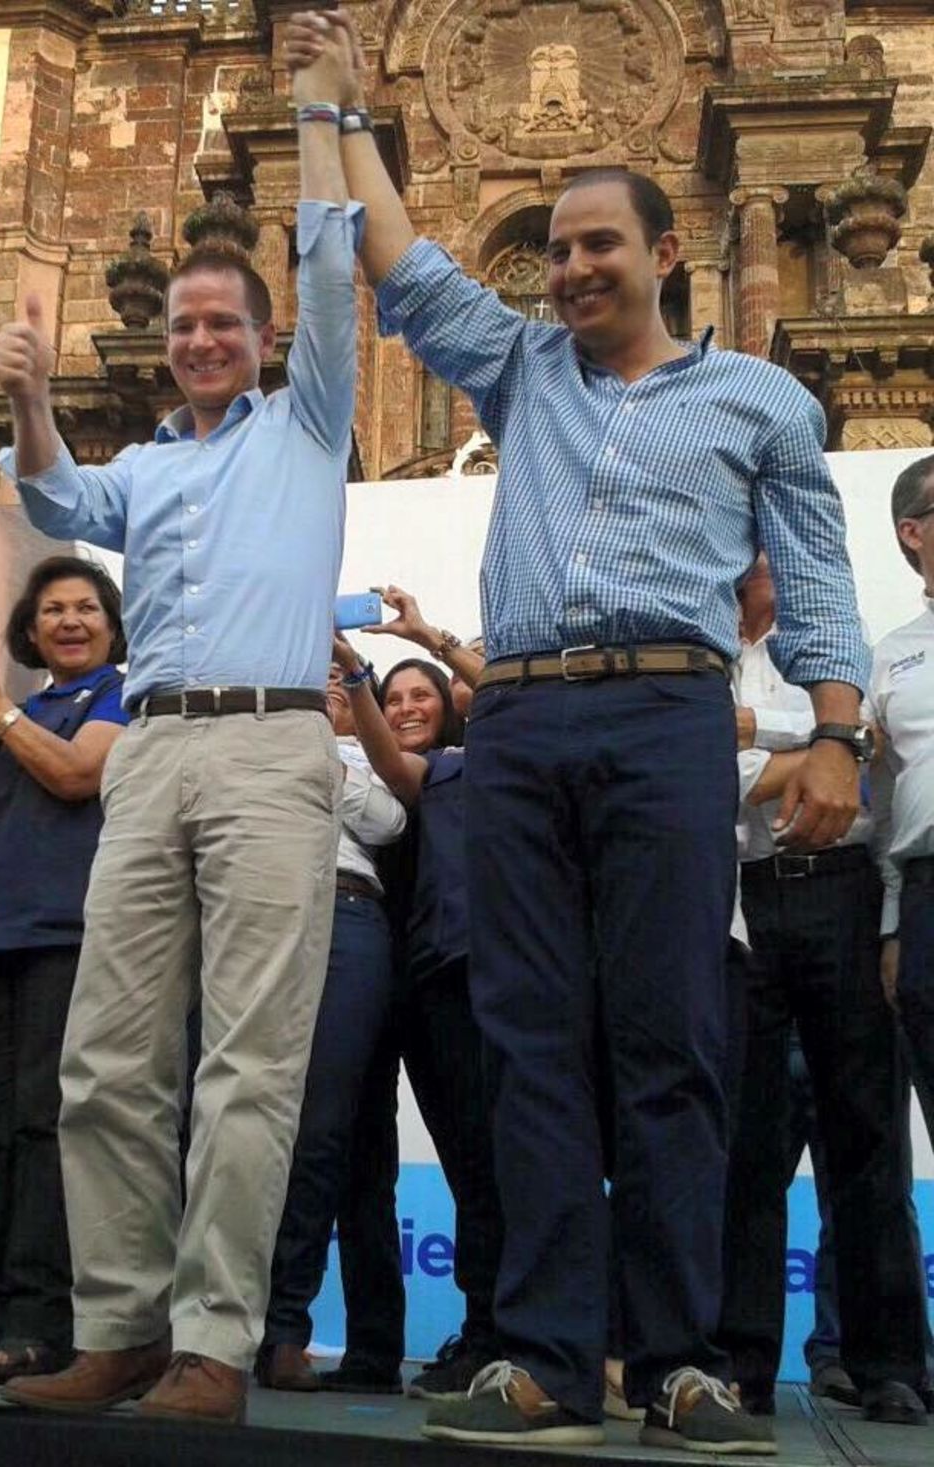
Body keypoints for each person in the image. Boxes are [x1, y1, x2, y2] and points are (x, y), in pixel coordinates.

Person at [286, 14, 869, 1452]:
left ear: (665, 253)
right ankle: (547, 1359)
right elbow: (404, 263)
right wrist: (341, 111)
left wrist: (836, 733)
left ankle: (677, 1362)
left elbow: (818, 579)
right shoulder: (518, 368)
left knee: (671, 1037)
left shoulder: (761, 401)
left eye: (599, 243)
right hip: (526, 716)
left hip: (669, 712)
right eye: (555, 249)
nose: (571, 267)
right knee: (527, 1039)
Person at [0, 31, 362, 1426]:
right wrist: (31, 398)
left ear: (263, 342)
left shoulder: (310, 419)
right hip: (149, 752)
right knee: (106, 1055)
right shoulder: (143, 467)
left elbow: (331, 261)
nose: (200, 338)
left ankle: (215, 1341)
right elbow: (56, 502)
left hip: (270, 746)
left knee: (247, 1059)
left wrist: (319, 108)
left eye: (224, 323)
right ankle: (121, 1328)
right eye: (185, 324)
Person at [719, 554, 928, 1425]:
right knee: (743, 1141)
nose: (756, 557)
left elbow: (867, 750)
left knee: (867, 1134)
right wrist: (810, 748)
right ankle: (740, 1362)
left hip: (842, 891)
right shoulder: (703, 655)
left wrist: (759, 729)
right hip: (739, 898)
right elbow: (712, 763)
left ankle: (891, 1363)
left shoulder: (842, 652)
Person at [0, 556, 128, 1383]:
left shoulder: (121, 695)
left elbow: (78, 775)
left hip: (66, 937)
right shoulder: (11, 711)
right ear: (30, 629)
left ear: (113, 626)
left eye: (86, 607)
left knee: (48, 1128)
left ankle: (48, 1321)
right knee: (0, 1132)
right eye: (52, 609)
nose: (70, 620)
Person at [334, 600, 504, 1401]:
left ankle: (493, 1330)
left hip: (451, 978)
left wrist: (417, 642)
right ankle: (372, 1349)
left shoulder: (472, 767)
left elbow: (505, 694)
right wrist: (352, 675)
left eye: (421, 695)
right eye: (391, 697)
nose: (405, 707)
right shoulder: (365, 770)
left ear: (452, 705)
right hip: (368, 977)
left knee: (479, 1158)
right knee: (358, 1163)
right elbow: (380, 755)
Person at [254, 660, 406, 1392]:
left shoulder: (362, 756)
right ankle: (215, 1326)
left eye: (339, 688)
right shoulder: (254, 740)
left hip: (348, 916)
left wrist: (320, 750)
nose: (326, 694)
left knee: (321, 1132)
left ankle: (285, 1328)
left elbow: (385, 821)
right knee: (234, 1118)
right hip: (256, 913)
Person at [871, 457, 934, 1137]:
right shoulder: (889, 656)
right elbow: (883, 803)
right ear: (913, 533)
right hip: (927, 891)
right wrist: (893, 925)